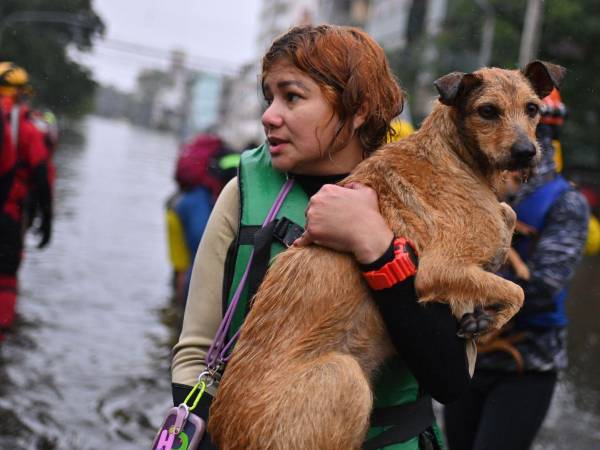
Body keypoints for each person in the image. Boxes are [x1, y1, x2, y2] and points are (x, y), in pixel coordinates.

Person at [171, 25, 477, 450]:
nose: (269, 115)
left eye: (292, 97)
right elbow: (196, 354)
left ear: (359, 111)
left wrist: (377, 247)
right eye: (269, 96)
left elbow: (450, 378)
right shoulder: (241, 194)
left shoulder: (429, 202)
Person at [443, 96, 590, 450]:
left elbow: (544, 288)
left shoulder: (565, 203)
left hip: (527, 364)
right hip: (466, 357)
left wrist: (464, 284)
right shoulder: (471, 188)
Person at [0, 62, 53, 336]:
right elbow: (42, 174)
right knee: (6, 274)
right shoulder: (27, 127)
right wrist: (47, 218)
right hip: (11, 211)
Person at [165, 133, 240, 305]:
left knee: (182, 267)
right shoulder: (243, 161)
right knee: (200, 262)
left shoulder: (212, 155)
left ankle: (176, 307)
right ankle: (186, 317)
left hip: (175, 205)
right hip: (195, 208)